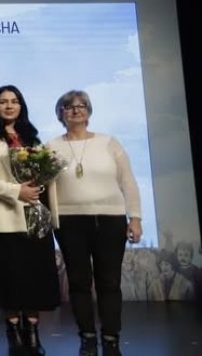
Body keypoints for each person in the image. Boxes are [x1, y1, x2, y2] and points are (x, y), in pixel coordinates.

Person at [47, 89, 143, 356]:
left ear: (88, 112)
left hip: (110, 220)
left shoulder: (109, 142)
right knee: (78, 282)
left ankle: (111, 338)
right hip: (68, 221)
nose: (76, 109)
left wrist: (135, 217)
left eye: (82, 105)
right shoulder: (51, 147)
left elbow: (128, 182)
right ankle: (87, 337)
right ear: (61, 113)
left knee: (109, 282)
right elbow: (45, 186)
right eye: (69, 106)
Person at [0, 85, 59, 356]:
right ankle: (12, 331)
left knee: (35, 277)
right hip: (4, 215)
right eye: (3, 101)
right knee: (9, 278)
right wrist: (16, 191)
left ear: (21, 106)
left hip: (34, 214)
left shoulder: (32, 137)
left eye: (15, 101)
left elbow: (44, 173)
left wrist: (40, 185)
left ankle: (31, 331)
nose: (9, 106)